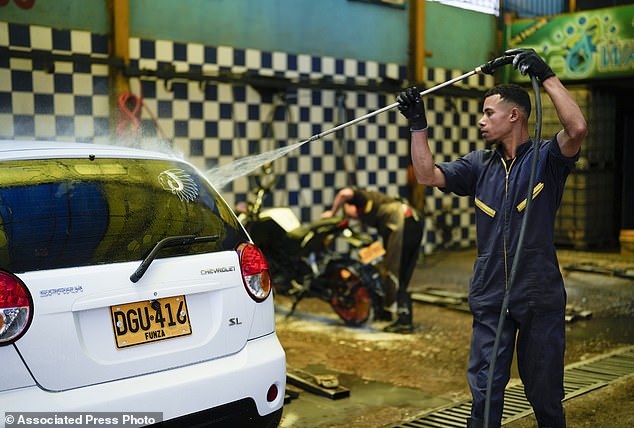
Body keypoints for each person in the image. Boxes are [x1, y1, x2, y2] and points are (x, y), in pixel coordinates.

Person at [397, 48, 587, 428]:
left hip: (538, 295)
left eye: (488, 113)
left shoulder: (547, 159)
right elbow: (427, 175)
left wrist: (547, 77)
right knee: (484, 396)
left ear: (514, 115)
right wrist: (418, 125)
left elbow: (577, 129)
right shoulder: (477, 164)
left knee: (546, 395)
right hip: (490, 295)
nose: (481, 121)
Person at [322, 187, 424, 333]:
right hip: (414, 223)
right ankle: (392, 314)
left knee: (397, 272)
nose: (351, 217)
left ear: (349, 204)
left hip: (402, 223)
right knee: (400, 272)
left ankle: (404, 321)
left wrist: (332, 212)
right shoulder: (373, 205)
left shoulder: (360, 197)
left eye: (347, 212)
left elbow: (344, 193)